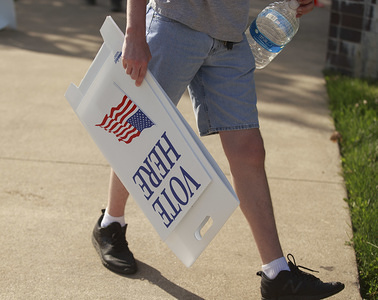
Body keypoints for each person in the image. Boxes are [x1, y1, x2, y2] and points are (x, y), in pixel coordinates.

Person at [91, 0, 346, 298]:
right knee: (139, 130)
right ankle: (111, 224)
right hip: (174, 22)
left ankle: (276, 274)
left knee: (249, 149)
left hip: (230, 36)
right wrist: (134, 31)